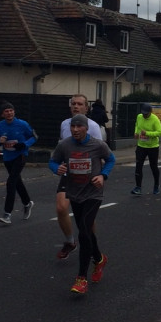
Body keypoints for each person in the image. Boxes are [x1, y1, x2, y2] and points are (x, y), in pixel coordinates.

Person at [49, 114, 115, 296]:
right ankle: (99, 259)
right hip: (75, 193)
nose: (75, 130)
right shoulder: (65, 145)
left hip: (93, 193)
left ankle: (81, 278)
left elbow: (111, 159)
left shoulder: (97, 145)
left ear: (86, 128)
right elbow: (53, 161)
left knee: (84, 230)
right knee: (85, 232)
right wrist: (57, 169)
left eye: (79, 126)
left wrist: (103, 175)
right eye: (73, 126)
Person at [56, 94, 102, 261]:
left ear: (86, 108)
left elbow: (100, 152)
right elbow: (61, 147)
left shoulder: (93, 126)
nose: (76, 106)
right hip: (69, 173)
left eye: (80, 104)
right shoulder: (64, 124)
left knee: (87, 218)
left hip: (87, 176)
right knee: (61, 208)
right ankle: (70, 242)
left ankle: (91, 246)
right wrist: (58, 165)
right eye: (73, 104)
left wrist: (99, 175)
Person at [0, 102, 36, 224]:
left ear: (14, 111)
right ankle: (27, 203)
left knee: (11, 182)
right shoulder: (0, 126)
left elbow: (34, 137)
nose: (9, 113)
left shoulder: (22, 124)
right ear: (2, 114)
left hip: (20, 155)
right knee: (17, 182)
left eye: (11, 110)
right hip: (8, 157)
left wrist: (24, 144)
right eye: (6, 111)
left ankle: (7, 214)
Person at [132, 102, 161, 195]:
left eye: (146, 114)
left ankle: (156, 185)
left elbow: (159, 132)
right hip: (141, 145)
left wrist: (147, 133)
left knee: (153, 166)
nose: (144, 115)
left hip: (152, 147)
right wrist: (136, 132)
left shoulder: (155, 119)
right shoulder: (139, 116)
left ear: (150, 112)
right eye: (143, 113)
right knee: (138, 166)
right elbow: (137, 125)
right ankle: (138, 187)